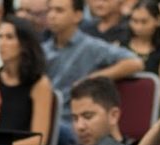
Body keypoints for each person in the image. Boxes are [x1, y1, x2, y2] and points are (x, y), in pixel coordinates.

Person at [41, 0, 141, 133]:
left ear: (77, 15)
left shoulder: (92, 47)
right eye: (49, 10)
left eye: (59, 10)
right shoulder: (42, 50)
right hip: (44, 119)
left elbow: (135, 62)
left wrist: (92, 78)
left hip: (75, 124)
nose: (52, 15)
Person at [0, 16, 52, 145]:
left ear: (24, 44)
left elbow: (38, 141)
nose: (2, 43)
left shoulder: (40, 84)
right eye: (0, 36)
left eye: (9, 37)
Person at [126, 0, 160, 108]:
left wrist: (144, 104)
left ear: (158, 21)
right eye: (134, 21)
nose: (138, 27)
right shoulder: (120, 45)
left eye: (144, 22)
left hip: (151, 110)